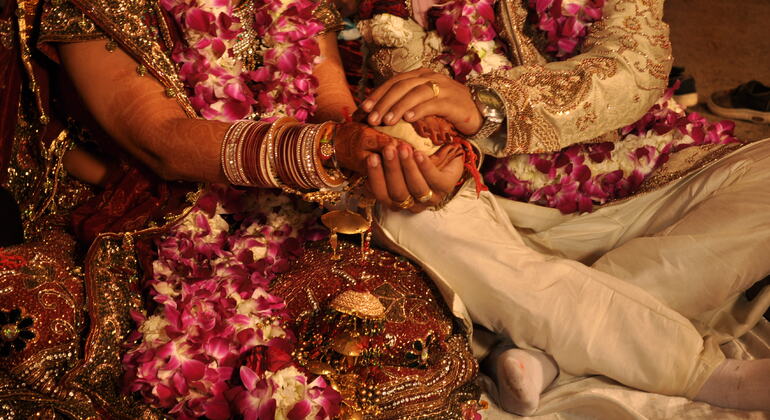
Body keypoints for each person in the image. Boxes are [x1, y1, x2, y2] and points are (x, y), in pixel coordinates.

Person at [0, 0, 480, 418]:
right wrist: (332, 149)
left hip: (281, 212)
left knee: (387, 340)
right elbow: (160, 140)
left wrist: (398, 149)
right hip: (139, 216)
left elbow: (331, 106)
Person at [346, 0, 770, 415]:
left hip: (656, 189)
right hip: (507, 224)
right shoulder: (393, 10)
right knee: (401, 209)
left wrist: (489, 107)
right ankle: (707, 376)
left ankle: (547, 350)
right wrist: (432, 166)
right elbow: (416, 122)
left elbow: (636, 68)